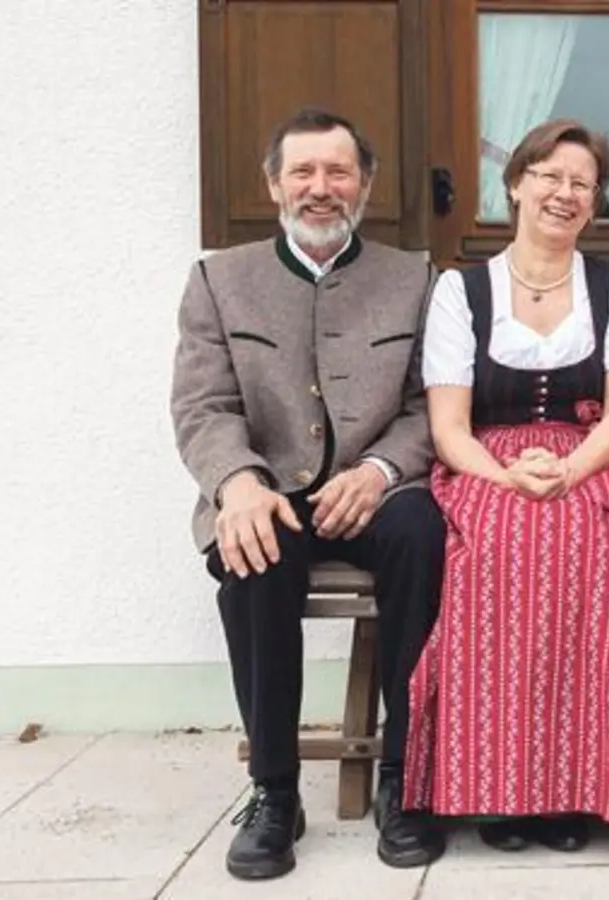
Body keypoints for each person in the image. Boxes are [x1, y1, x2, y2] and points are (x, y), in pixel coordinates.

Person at [169, 108, 448, 879]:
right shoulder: (218, 280)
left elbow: (433, 403)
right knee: (253, 551)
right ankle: (273, 791)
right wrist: (237, 484)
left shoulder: (415, 277)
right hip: (270, 489)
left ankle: (405, 779)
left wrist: (381, 471)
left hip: (379, 490)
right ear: (273, 184)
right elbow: (202, 407)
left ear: (365, 183)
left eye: (338, 172)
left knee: (425, 538)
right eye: (304, 172)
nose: (321, 189)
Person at [400, 119, 609, 853]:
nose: (563, 193)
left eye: (581, 183)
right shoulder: (462, 288)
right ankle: (498, 787)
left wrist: (571, 471)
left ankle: (574, 788)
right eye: (548, 176)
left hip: (591, 457)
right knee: (496, 550)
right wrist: (509, 474)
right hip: (487, 460)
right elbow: (449, 427)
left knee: (594, 551)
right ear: (515, 183)